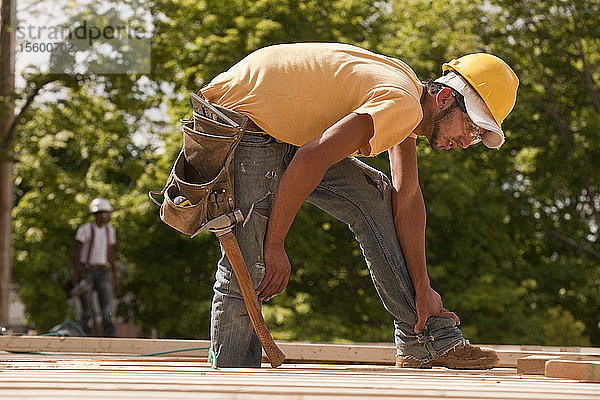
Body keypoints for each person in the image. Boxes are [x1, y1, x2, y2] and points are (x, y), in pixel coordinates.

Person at [199, 43, 519, 368]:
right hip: (239, 120)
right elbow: (312, 156)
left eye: (478, 135)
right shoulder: (404, 103)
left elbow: (405, 197)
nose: (467, 141)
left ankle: (423, 339)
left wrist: (424, 289)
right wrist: (276, 244)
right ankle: (232, 378)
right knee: (252, 265)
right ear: (445, 99)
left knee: (374, 195)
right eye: (471, 126)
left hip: (280, 127)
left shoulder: (407, 95)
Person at [71, 197, 118, 336]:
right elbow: (77, 252)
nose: (108, 217)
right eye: (106, 213)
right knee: (86, 305)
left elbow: (110, 253)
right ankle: (84, 332)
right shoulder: (85, 229)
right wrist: (77, 272)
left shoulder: (110, 231)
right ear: (98, 214)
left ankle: (109, 333)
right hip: (88, 271)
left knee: (107, 305)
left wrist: (114, 274)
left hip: (103, 271)